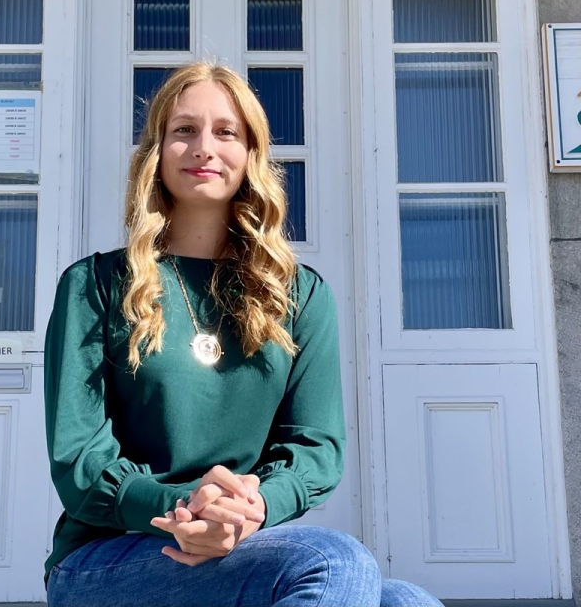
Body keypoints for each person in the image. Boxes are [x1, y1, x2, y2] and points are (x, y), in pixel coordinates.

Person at [44, 61, 443, 607]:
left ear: (250, 155)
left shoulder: (299, 295)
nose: (204, 147)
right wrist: (185, 505)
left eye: (226, 132)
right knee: (335, 561)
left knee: (407, 602)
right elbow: (79, 461)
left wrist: (255, 507)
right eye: (184, 130)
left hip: (244, 543)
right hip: (110, 555)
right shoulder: (95, 286)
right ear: (155, 153)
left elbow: (315, 449)